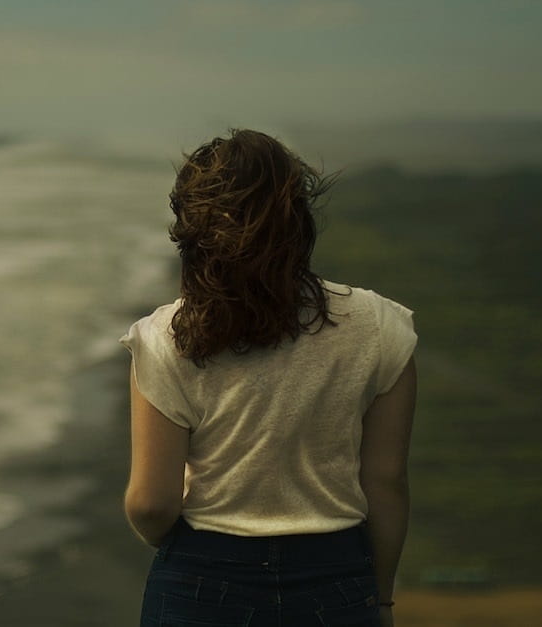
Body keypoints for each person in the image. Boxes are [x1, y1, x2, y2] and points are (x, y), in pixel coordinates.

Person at [119, 128, 416, 627]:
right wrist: (380, 600)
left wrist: (183, 554)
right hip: (335, 577)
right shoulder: (382, 326)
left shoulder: (164, 337)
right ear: (298, 219)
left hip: (201, 578)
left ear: (192, 230)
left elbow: (152, 504)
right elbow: (386, 482)